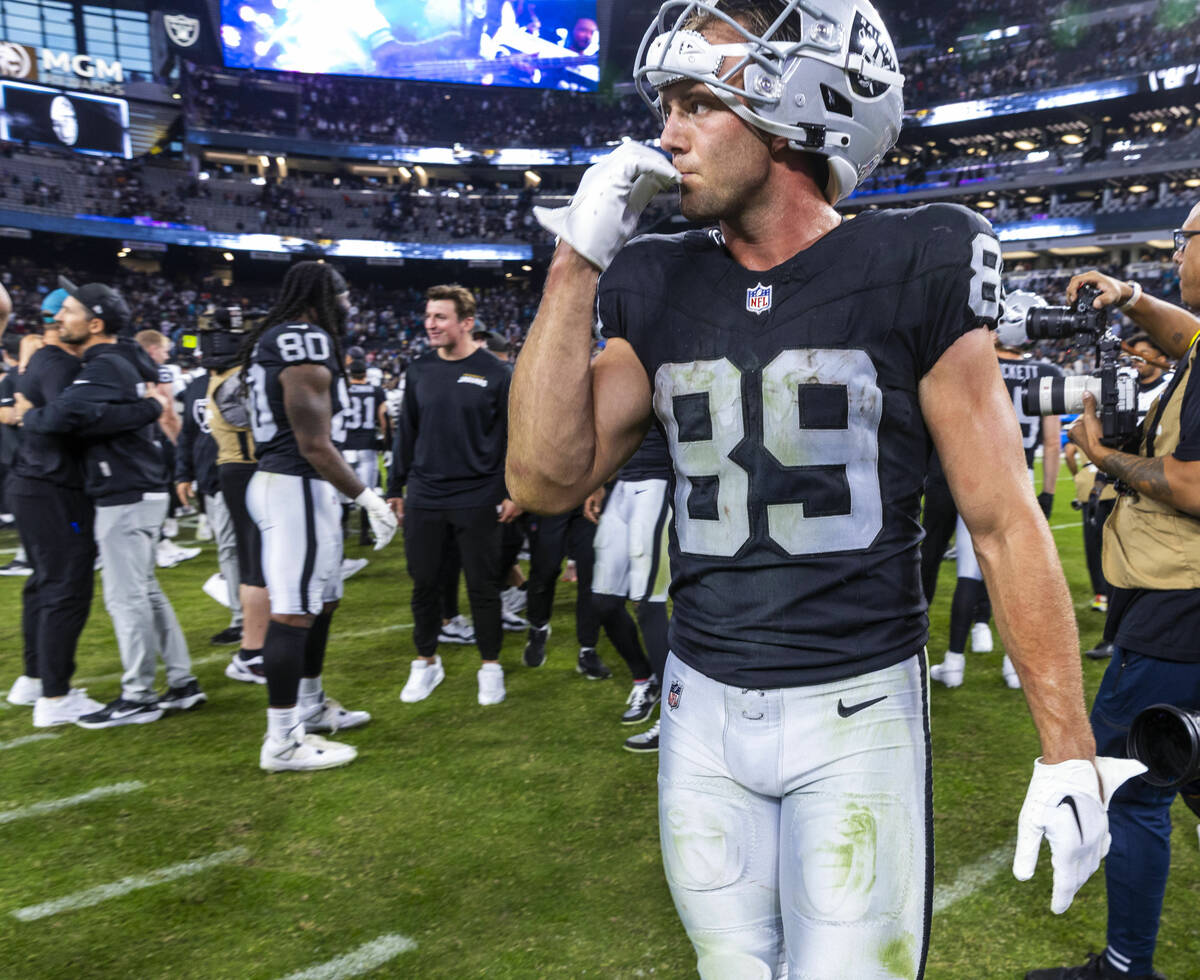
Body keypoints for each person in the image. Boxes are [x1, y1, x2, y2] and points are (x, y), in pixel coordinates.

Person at [507, 1, 1141, 975]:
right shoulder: (656, 279)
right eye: (665, 105)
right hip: (700, 711)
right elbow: (543, 477)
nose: (664, 134)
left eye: (695, 102)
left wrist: (1067, 744)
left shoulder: (912, 259)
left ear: (796, 106)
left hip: (857, 717)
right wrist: (576, 259)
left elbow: (1005, 521)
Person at [1025, 215, 1200, 980]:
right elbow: (1187, 333)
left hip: (1179, 606)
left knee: (1130, 787)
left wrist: (1103, 459)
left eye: (1185, 240)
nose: (1177, 252)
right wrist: (1130, 295)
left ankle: (1126, 968)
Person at [18, 277, 204, 728]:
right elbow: (99, 413)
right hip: (139, 489)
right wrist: (145, 409)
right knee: (147, 592)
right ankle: (181, 683)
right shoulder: (121, 357)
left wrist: (30, 414)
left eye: (71, 310)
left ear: (95, 323)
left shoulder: (104, 363)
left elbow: (64, 415)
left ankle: (139, 696)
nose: (60, 317)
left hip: (124, 493)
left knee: (126, 600)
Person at [243, 261, 397, 773]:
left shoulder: (277, 337)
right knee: (292, 613)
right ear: (321, 295)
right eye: (343, 294)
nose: (349, 304)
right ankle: (282, 741)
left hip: (293, 483)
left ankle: (309, 703)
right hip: (296, 485)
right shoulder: (303, 340)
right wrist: (368, 498)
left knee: (323, 602)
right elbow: (313, 442)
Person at [386, 284, 520, 707]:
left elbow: (513, 439)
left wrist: (512, 490)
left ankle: (490, 666)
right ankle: (426, 662)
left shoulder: (498, 372)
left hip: (478, 496)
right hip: (425, 495)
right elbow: (405, 432)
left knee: (482, 587)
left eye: (440, 317)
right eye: (428, 316)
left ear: (466, 323)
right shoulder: (418, 370)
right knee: (424, 585)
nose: (430, 324)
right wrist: (395, 487)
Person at [930, 291, 1063, 690]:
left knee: (971, 573)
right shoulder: (1047, 372)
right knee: (1018, 576)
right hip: (1019, 479)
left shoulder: (977, 365)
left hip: (976, 476)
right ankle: (1013, 665)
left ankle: (954, 661)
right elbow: (1054, 442)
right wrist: (1049, 493)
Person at [586, 424, 673, 753]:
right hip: (623, 483)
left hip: (658, 482)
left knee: (648, 602)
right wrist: (598, 480)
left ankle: (674, 716)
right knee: (603, 602)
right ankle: (644, 679)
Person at [203, 306, 270, 686]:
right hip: (245, 471)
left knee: (256, 560)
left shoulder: (222, 376)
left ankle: (257, 642)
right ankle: (251, 651)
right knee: (256, 565)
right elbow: (258, 423)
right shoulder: (232, 381)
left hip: (238, 470)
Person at [341, 356, 387, 546]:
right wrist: (385, 440)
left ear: (350, 374)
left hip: (345, 445)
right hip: (367, 444)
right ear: (365, 374)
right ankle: (364, 535)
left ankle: (342, 530)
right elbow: (383, 417)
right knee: (366, 492)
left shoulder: (343, 389)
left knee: (342, 491)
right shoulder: (376, 391)